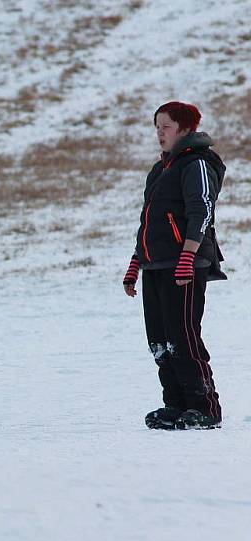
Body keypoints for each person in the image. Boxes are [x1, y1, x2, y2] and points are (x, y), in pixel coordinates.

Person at [123, 101, 227, 430]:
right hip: (157, 265)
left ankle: (205, 408)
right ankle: (177, 404)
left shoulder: (195, 163)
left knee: (183, 337)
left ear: (184, 129)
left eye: (165, 127)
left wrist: (188, 255)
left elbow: (202, 211)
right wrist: (135, 262)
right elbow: (148, 222)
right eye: (157, 127)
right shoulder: (160, 169)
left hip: (185, 264)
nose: (159, 133)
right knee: (159, 341)